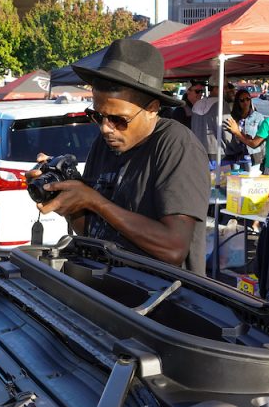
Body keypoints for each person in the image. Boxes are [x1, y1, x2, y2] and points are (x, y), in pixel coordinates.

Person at [31, 38, 210, 274]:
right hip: (108, 294)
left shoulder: (177, 145)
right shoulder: (104, 144)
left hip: (161, 303)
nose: (106, 128)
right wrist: (64, 199)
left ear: (152, 109)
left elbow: (173, 248)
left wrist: (95, 201)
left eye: (118, 119)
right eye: (97, 116)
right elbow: (90, 231)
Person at [191, 81, 239, 164]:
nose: (226, 90)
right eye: (225, 87)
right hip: (220, 154)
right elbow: (226, 131)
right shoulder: (221, 105)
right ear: (216, 88)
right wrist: (236, 148)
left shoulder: (197, 104)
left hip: (199, 153)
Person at [225, 87, 264, 173]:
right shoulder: (233, 117)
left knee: (251, 182)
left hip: (252, 155)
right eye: (242, 100)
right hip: (236, 155)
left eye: (247, 99)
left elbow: (262, 138)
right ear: (237, 102)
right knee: (235, 181)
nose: (245, 102)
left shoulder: (258, 116)